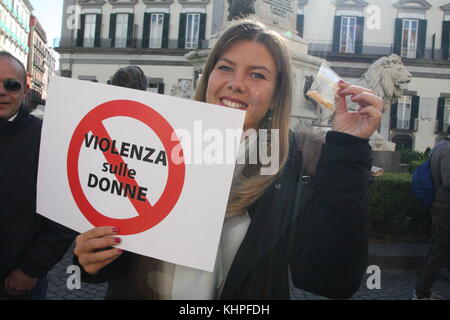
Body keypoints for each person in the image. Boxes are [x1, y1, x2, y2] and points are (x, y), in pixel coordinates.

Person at [73, 19, 383, 300]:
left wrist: (347, 148)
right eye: (225, 68)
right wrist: (92, 257)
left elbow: (331, 281)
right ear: (208, 77)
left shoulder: (292, 167)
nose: (236, 83)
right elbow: (117, 243)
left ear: (277, 95)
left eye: (257, 75)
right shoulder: (152, 145)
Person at [0, 51, 77, 300]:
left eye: (11, 85)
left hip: (17, 283)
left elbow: (65, 212)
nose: (2, 91)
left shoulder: (48, 138)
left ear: (25, 90)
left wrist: (31, 268)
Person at [414, 125, 450, 299]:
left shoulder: (439, 145)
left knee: (437, 245)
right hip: (446, 206)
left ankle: (421, 287)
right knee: (440, 249)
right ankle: (421, 291)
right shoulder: (448, 150)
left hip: (439, 204)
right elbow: (448, 181)